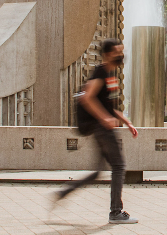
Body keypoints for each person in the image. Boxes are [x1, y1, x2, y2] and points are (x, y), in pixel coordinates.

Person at [53, 38, 139, 224]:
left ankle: (63, 192)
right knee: (118, 166)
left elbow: (108, 108)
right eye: (117, 52)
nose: (121, 55)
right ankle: (116, 212)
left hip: (101, 127)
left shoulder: (109, 74)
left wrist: (127, 122)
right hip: (102, 129)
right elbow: (87, 98)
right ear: (108, 54)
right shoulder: (100, 72)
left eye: (121, 51)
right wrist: (105, 119)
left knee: (97, 172)